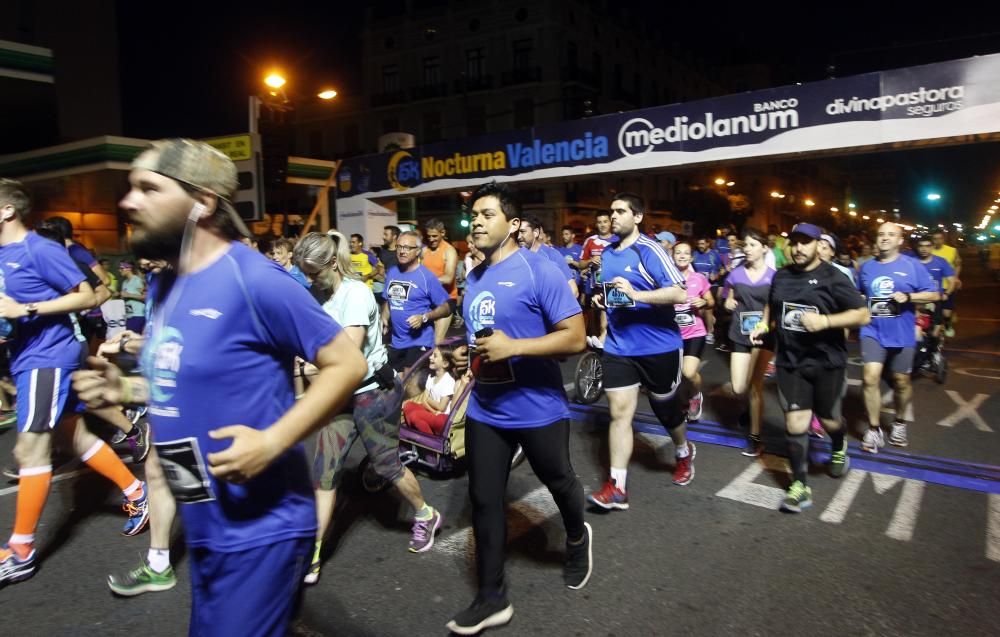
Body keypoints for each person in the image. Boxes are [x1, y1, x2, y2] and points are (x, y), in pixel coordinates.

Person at [72, 139, 367, 635]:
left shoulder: (255, 279)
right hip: (207, 523)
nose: (128, 201)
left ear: (202, 202)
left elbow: (347, 363)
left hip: (261, 529)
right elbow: (188, 380)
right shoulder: (166, 283)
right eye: (130, 187)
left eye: (148, 187)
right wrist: (124, 391)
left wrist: (273, 440)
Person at [447, 181, 590, 635]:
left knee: (559, 479)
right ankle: (492, 597)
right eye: (475, 215)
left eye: (487, 214)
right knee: (484, 500)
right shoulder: (472, 277)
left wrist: (516, 348)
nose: (476, 223)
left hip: (538, 407)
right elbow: (482, 336)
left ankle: (576, 535)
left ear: (513, 225)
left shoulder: (538, 270)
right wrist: (462, 354)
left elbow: (575, 337)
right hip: (486, 409)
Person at [0, 179, 150, 587]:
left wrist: (26, 307)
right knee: (73, 436)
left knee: (29, 447)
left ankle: (21, 551)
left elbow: (90, 294)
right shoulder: (3, 254)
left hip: (47, 358)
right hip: (25, 355)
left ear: (6, 211)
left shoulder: (39, 248)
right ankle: (137, 491)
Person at [295, 231, 443, 586]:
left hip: (371, 392)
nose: (310, 280)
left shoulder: (356, 293)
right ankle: (314, 550)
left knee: (386, 464)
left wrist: (299, 368)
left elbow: (346, 358)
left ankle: (426, 514)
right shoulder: (312, 293)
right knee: (325, 471)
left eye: (314, 273)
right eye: (305, 274)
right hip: (339, 394)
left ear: (332, 263)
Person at [750, 222, 870, 513]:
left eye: (806, 242)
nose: (799, 248)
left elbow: (863, 314)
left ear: (819, 245)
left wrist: (826, 322)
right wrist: (765, 324)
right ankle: (800, 486)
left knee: (829, 420)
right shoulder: (782, 276)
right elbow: (772, 304)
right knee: (795, 424)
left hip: (826, 362)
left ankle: (839, 443)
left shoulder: (833, 277)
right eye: (795, 242)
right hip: (791, 362)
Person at [588, 192, 693, 512]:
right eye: (611, 211)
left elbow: (679, 291)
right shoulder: (606, 254)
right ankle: (617, 486)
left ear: (637, 217)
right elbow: (612, 292)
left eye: (621, 211)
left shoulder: (650, 250)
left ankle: (683, 450)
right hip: (620, 346)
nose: (614, 216)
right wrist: (602, 300)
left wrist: (638, 294)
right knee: (619, 413)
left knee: (665, 410)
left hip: (659, 346)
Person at [858, 223, 939, 451]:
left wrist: (909, 296)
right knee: (870, 378)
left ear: (900, 240)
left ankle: (900, 422)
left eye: (890, 235)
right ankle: (874, 430)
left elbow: (934, 294)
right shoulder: (866, 268)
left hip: (902, 332)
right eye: (881, 234)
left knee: (901, 382)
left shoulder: (912, 266)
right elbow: (859, 292)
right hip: (873, 330)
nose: (884, 238)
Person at [723, 227, 776, 456]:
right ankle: (749, 410)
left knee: (755, 386)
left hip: (763, 335)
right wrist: (727, 302)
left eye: (753, 245)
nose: (748, 249)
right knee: (738, 387)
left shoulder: (774, 276)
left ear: (764, 248)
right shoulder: (736, 273)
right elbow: (726, 295)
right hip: (739, 332)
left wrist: (765, 325)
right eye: (746, 245)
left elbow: (775, 307)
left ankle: (756, 437)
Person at [381, 229, 452, 372]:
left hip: (419, 342)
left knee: (411, 385)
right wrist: (384, 317)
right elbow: (388, 300)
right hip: (396, 342)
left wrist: (425, 317)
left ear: (418, 251)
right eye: (399, 247)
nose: (402, 251)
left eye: (407, 248)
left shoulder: (427, 277)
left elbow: (447, 308)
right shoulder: (392, 272)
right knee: (397, 387)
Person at [670, 241, 713, 422]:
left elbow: (711, 301)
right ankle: (683, 401)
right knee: (676, 375)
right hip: (672, 333)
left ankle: (695, 396)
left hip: (695, 332)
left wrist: (704, 302)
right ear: (672, 256)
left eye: (686, 253)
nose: (681, 256)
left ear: (691, 257)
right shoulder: (666, 278)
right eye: (678, 252)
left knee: (688, 373)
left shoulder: (698, 278)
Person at [401, 345, 465, 435]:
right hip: (433, 412)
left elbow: (441, 407)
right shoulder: (431, 378)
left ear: (445, 364)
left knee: (416, 416)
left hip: (443, 417)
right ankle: (421, 433)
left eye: (434, 356)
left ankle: (430, 438)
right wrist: (433, 411)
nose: (430, 357)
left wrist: (428, 401)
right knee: (408, 406)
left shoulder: (448, 381)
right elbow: (424, 400)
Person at [575, 211, 614, 348]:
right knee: (599, 316)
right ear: (596, 224)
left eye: (605, 221)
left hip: (614, 283)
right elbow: (580, 265)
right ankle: (601, 343)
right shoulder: (590, 241)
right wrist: (591, 260)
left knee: (609, 314)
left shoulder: (618, 240)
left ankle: (605, 341)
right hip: (596, 284)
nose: (602, 225)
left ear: (610, 222)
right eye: (599, 222)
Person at [518, 214, 579, 298]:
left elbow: (573, 290)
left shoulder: (552, 255)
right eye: (517, 232)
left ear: (535, 232)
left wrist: (558, 309)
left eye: (522, 232)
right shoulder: (515, 256)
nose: (518, 236)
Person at [421, 218, 459, 343]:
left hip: (445, 301)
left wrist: (425, 282)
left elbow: (448, 278)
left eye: (434, 236)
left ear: (442, 233)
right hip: (427, 300)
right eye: (429, 236)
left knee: (437, 343)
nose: (431, 239)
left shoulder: (449, 251)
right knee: (424, 342)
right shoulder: (424, 250)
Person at [915, 235, 956, 337]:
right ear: (917, 247)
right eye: (921, 246)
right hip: (916, 300)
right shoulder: (911, 262)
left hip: (935, 299)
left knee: (935, 331)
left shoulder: (941, 262)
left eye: (928, 246)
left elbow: (951, 281)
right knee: (915, 328)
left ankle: (934, 347)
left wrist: (946, 293)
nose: (924, 249)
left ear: (932, 247)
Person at [692, 236, 724, 343]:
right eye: (699, 244)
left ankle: (710, 333)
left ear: (708, 244)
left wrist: (717, 275)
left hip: (711, 286)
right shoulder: (694, 254)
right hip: (697, 286)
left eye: (702, 244)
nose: (700, 246)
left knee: (708, 309)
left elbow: (722, 269)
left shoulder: (714, 255)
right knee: (699, 311)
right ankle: (710, 321)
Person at [931, 229, 961, 337]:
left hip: (948, 286)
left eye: (940, 238)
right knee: (934, 312)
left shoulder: (952, 250)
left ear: (943, 239)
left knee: (946, 313)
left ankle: (948, 324)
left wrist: (956, 278)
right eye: (935, 239)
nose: (937, 241)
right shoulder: (929, 251)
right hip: (934, 287)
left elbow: (957, 264)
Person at [118, 261, 147, 334]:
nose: (119, 270)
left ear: (129, 268)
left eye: (121, 268)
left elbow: (146, 297)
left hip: (138, 314)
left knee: (131, 338)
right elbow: (125, 296)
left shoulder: (137, 280)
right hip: (129, 315)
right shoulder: (124, 282)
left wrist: (129, 295)